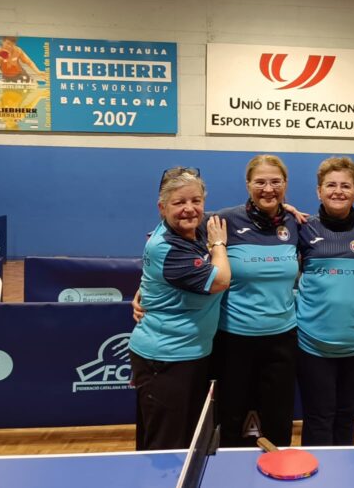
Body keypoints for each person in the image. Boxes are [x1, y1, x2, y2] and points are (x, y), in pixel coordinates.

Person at [128, 167, 230, 450]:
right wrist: (218, 245)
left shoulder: (195, 226)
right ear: (162, 208)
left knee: (185, 441)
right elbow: (220, 280)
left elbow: (240, 213)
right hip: (166, 359)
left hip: (190, 353)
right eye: (179, 202)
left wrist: (285, 208)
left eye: (196, 201)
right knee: (166, 448)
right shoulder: (168, 247)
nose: (189, 208)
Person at [210, 154, 299, 448]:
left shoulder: (296, 223)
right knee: (231, 419)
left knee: (278, 421)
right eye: (260, 182)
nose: (268, 189)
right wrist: (145, 287)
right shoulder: (223, 220)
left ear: (285, 184)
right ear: (248, 185)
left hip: (282, 339)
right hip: (234, 340)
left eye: (275, 182)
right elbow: (175, 233)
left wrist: (288, 210)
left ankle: (278, 469)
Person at [296, 156, 354, 446]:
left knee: (347, 416)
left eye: (346, 186)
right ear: (319, 191)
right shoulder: (302, 226)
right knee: (318, 417)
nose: (338, 191)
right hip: (313, 344)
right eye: (331, 185)